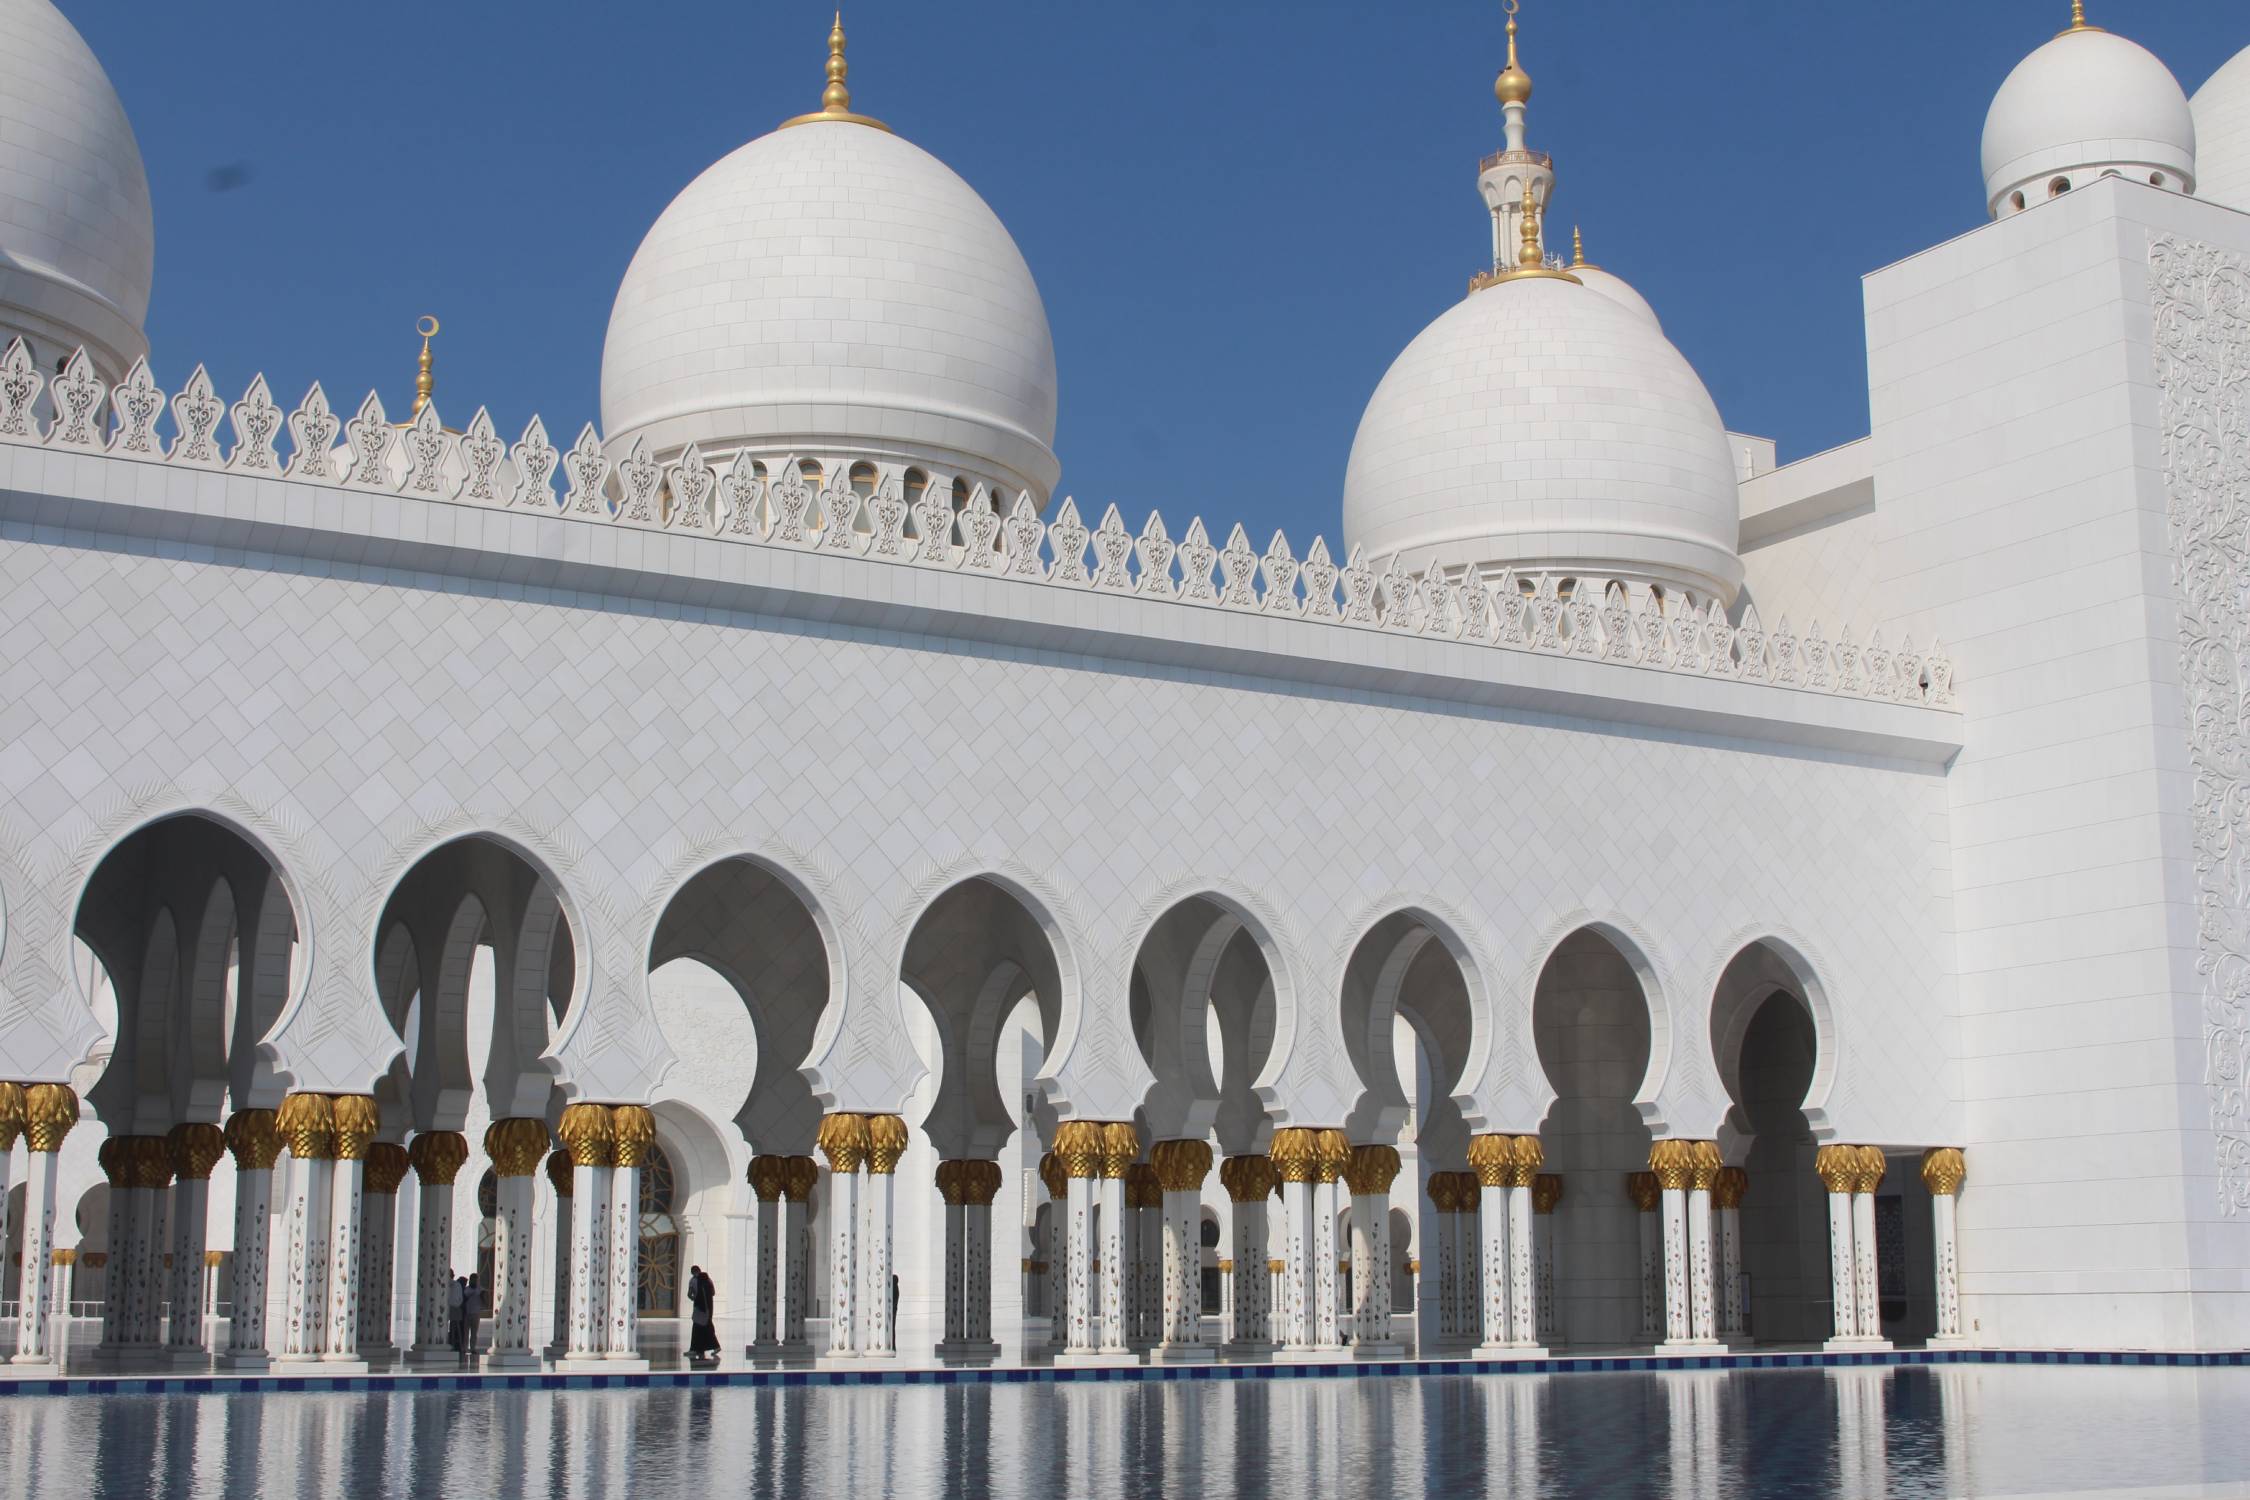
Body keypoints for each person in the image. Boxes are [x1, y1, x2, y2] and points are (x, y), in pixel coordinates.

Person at [687, 1265, 719, 1363]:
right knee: (707, 1327)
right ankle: (714, 1347)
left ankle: (695, 1349)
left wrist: (694, 1298)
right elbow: (713, 1293)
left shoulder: (693, 1280)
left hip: (699, 1308)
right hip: (708, 1308)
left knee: (697, 1328)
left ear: (693, 1272)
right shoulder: (708, 1280)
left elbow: (689, 1294)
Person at [460, 1273, 483, 1365]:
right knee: (466, 1332)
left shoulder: (479, 1289)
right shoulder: (467, 1289)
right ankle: (464, 1348)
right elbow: (464, 1297)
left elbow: (483, 1298)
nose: (475, 1281)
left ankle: (473, 1348)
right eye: (473, 1279)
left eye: (476, 1279)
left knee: (474, 1332)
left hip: (476, 1313)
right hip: (468, 1313)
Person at [448, 1274, 466, 1355]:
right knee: (456, 1327)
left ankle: (454, 1345)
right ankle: (457, 1345)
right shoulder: (457, 1284)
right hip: (456, 1307)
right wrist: (458, 1304)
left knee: (454, 1327)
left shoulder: (452, 1284)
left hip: (453, 1307)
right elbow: (460, 1298)